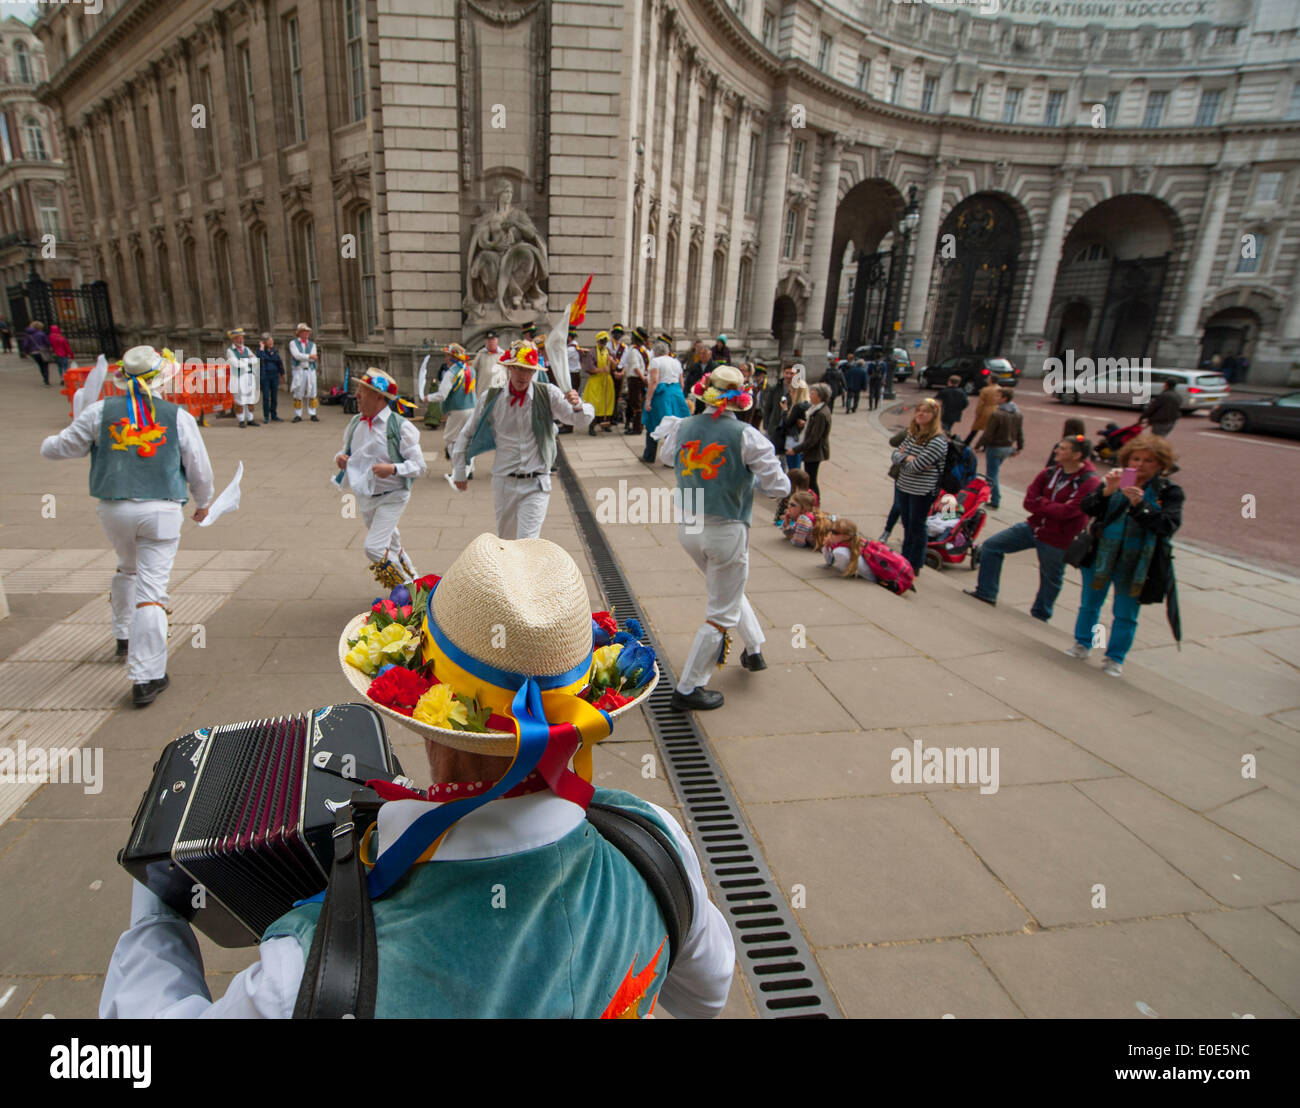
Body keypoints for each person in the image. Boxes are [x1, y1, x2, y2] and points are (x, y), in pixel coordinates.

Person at [101, 533, 736, 1018]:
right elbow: (705, 993)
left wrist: (157, 903)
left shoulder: (307, 974)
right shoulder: (660, 849)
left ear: (425, 709)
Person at [40, 346, 214, 707]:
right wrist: (204, 501)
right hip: (162, 510)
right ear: (160, 379)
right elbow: (198, 466)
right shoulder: (177, 416)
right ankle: (146, 676)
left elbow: (59, 449)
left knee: (126, 567)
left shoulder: (99, 412)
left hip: (114, 509)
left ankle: (123, 636)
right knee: (151, 590)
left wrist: (54, 438)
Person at [652, 367, 790, 711]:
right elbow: (779, 487)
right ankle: (689, 687)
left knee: (727, 591)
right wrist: (744, 480)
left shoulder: (683, 425)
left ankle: (754, 648)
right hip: (726, 529)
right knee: (720, 612)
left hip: (690, 528)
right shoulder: (746, 436)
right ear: (739, 399)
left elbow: (668, 458)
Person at [1064, 434, 1183, 678]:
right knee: (1091, 604)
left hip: (1137, 561)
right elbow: (1089, 508)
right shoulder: (1121, 478)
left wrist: (1141, 505)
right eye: (1135, 458)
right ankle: (1085, 643)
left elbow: (1167, 525)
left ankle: (1114, 657)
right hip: (1102, 555)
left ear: (1160, 464)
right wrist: (1106, 492)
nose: (1139, 465)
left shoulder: (1168, 491)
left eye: (1148, 460)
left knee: (1125, 612)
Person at [452, 340, 594, 539]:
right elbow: (467, 433)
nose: (523, 375)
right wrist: (460, 470)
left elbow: (580, 420)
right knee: (506, 543)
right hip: (504, 482)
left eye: (528, 370)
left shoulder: (548, 394)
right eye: (518, 369)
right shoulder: (492, 398)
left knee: (528, 544)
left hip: (536, 483)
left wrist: (578, 405)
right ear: (509, 368)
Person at [964, 435, 1101, 620]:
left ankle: (1040, 615)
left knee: (1050, 578)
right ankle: (986, 592)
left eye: (1062, 448)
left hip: (1058, 538)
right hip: (1033, 527)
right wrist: (1050, 505)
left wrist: (1042, 503)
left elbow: (1069, 512)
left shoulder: (1090, 482)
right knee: (991, 546)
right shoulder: (1050, 472)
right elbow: (1029, 501)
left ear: (1077, 455)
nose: (1056, 451)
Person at [334, 368, 428, 586]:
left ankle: (406, 590)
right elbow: (344, 451)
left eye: (361, 391)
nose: (356, 395)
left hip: (393, 495)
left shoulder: (400, 426)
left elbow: (420, 467)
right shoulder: (356, 423)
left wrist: (393, 468)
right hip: (366, 496)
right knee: (392, 543)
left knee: (374, 548)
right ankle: (416, 580)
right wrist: (340, 459)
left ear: (378, 396)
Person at [890, 397, 947, 572]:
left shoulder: (937, 441)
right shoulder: (912, 434)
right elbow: (894, 455)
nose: (921, 414)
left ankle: (915, 563)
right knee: (907, 523)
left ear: (934, 415)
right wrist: (907, 457)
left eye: (926, 411)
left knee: (917, 525)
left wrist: (904, 458)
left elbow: (916, 466)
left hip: (921, 490)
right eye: (919, 410)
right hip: (904, 485)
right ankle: (905, 557)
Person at [427, 343, 476, 478]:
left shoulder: (451, 373)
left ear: (453, 357)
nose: (446, 359)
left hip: (458, 410)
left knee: (451, 439)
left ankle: (458, 471)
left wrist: (428, 398)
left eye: (447, 356)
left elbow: (442, 395)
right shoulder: (470, 370)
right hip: (472, 408)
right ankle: (469, 469)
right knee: (468, 439)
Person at [974, 388, 1023, 509]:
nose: (995, 398)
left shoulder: (997, 414)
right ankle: (995, 498)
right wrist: (1020, 446)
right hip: (1007, 447)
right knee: (994, 472)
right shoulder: (1017, 413)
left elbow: (988, 433)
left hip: (995, 447)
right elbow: (1019, 432)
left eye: (998, 396)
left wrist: (978, 445)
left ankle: (995, 499)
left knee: (992, 475)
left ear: (1004, 399)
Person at [643, 338, 690, 462]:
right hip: (676, 394)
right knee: (674, 425)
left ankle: (649, 456)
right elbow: (682, 383)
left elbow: (654, 381)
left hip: (661, 395)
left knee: (654, 424)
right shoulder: (676, 362)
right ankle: (673, 457)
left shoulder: (655, 362)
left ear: (656, 352)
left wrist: (648, 400)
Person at [798, 383, 833, 499]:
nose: (810, 396)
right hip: (813, 450)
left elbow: (814, 438)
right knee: (810, 478)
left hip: (815, 452)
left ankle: (815, 502)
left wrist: (796, 449)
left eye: (812, 394)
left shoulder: (821, 414)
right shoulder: (816, 410)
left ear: (820, 396)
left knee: (811, 479)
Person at [582, 331, 619, 433]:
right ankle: (592, 426)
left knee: (607, 403)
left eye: (605, 341)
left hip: (607, 381)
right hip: (595, 381)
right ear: (598, 341)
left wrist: (612, 361)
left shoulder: (610, 352)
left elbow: (615, 367)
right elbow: (589, 368)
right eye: (602, 341)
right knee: (594, 403)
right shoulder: (592, 352)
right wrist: (601, 370)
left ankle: (605, 423)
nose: (603, 343)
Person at [225, 327, 260, 427]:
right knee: (240, 399)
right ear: (233, 340)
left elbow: (255, 360)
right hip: (238, 378)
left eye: (241, 338)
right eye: (238, 338)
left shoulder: (246, 349)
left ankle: (250, 419)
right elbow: (236, 364)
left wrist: (245, 360)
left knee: (250, 398)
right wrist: (248, 360)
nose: (240, 340)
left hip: (249, 376)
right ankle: (241, 420)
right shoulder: (230, 351)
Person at [620, 326, 649, 435]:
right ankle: (639, 426)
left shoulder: (634, 351)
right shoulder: (644, 350)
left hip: (635, 380)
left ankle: (637, 428)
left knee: (635, 404)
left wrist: (643, 378)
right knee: (639, 403)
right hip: (641, 379)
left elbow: (636, 368)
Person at [288, 322, 320, 422]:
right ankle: (298, 414)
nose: (306, 334)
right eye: (304, 332)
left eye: (307, 332)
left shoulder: (312, 344)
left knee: (312, 391)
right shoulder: (293, 343)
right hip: (299, 371)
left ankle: (313, 413)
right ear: (299, 333)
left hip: (310, 370)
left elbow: (314, 357)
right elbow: (296, 355)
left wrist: (306, 357)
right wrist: (309, 356)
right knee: (298, 391)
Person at [762, 363, 795, 453]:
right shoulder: (776, 388)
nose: (788, 376)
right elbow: (768, 407)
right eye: (786, 373)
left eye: (791, 373)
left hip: (789, 428)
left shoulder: (799, 390)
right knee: (768, 450)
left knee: (786, 455)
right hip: (774, 425)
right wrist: (766, 424)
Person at [781, 376, 812, 471]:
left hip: (793, 439)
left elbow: (787, 422)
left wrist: (785, 409)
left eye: (791, 391)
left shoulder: (798, 407)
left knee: (793, 467)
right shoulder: (808, 404)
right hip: (802, 439)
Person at [256, 333, 285, 423]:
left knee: (274, 397)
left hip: (274, 375)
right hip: (265, 376)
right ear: (264, 342)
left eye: (271, 340)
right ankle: (266, 416)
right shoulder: (260, 351)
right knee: (266, 397)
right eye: (269, 341)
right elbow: (260, 358)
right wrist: (261, 348)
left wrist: (282, 374)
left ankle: (274, 415)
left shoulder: (274, 350)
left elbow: (279, 361)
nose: (271, 342)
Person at [965, 378, 1001, 445]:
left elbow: (981, 403)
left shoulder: (985, 390)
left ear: (990, 380)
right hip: (995, 409)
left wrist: (978, 413)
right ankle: (985, 445)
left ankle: (967, 442)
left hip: (985, 409)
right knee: (989, 429)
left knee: (976, 428)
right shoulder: (1000, 389)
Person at [21, 319, 53, 385]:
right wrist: (48, 347)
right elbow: (47, 342)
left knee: (40, 365)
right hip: (43, 351)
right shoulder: (42, 334)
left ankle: (44, 378)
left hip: (34, 352)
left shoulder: (29, 335)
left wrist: (26, 351)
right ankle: (47, 379)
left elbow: (25, 345)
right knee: (45, 365)